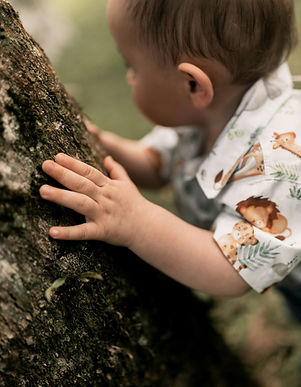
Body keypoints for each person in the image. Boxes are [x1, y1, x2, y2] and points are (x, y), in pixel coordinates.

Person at [40, 0, 301, 301]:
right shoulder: (203, 119)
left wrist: (136, 222)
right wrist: (104, 144)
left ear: (192, 85)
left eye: (132, 67)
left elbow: (232, 271)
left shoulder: (278, 162)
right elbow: (156, 165)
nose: (129, 78)